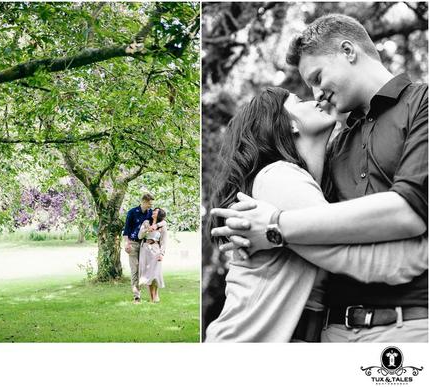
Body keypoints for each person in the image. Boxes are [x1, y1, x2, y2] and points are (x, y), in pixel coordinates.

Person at [210, 14, 428, 342]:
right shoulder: (326, 152)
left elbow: (408, 212)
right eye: (304, 93)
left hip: (403, 325)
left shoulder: (421, 104)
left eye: (317, 76)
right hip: (328, 333)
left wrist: (273, 227)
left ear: (348, 51)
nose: (317, 95)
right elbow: (332, 247)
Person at [123, 193, 154, 303]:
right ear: (143, 202)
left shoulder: (150, 213)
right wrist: (127, 244)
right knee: (134, 269)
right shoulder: (132, 212)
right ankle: (136, 296)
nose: (151, 206)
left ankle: (144, 293)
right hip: (133, 243)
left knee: (142, 269)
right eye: (149, 204)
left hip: (144, 244)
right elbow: (126, 230)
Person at [138, 208, 168, 302]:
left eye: (156, 212)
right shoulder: (146, 222)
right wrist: (147, 230)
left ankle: (156, 294)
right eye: (154, 211)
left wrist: (162, 253)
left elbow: (164, 241)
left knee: (155, 273)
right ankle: (152, 297)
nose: (153, 212)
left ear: (159, 215)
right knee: (148, 274)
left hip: (155, 249)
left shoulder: (162, 225)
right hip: (145, 249)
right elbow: (139, 236)